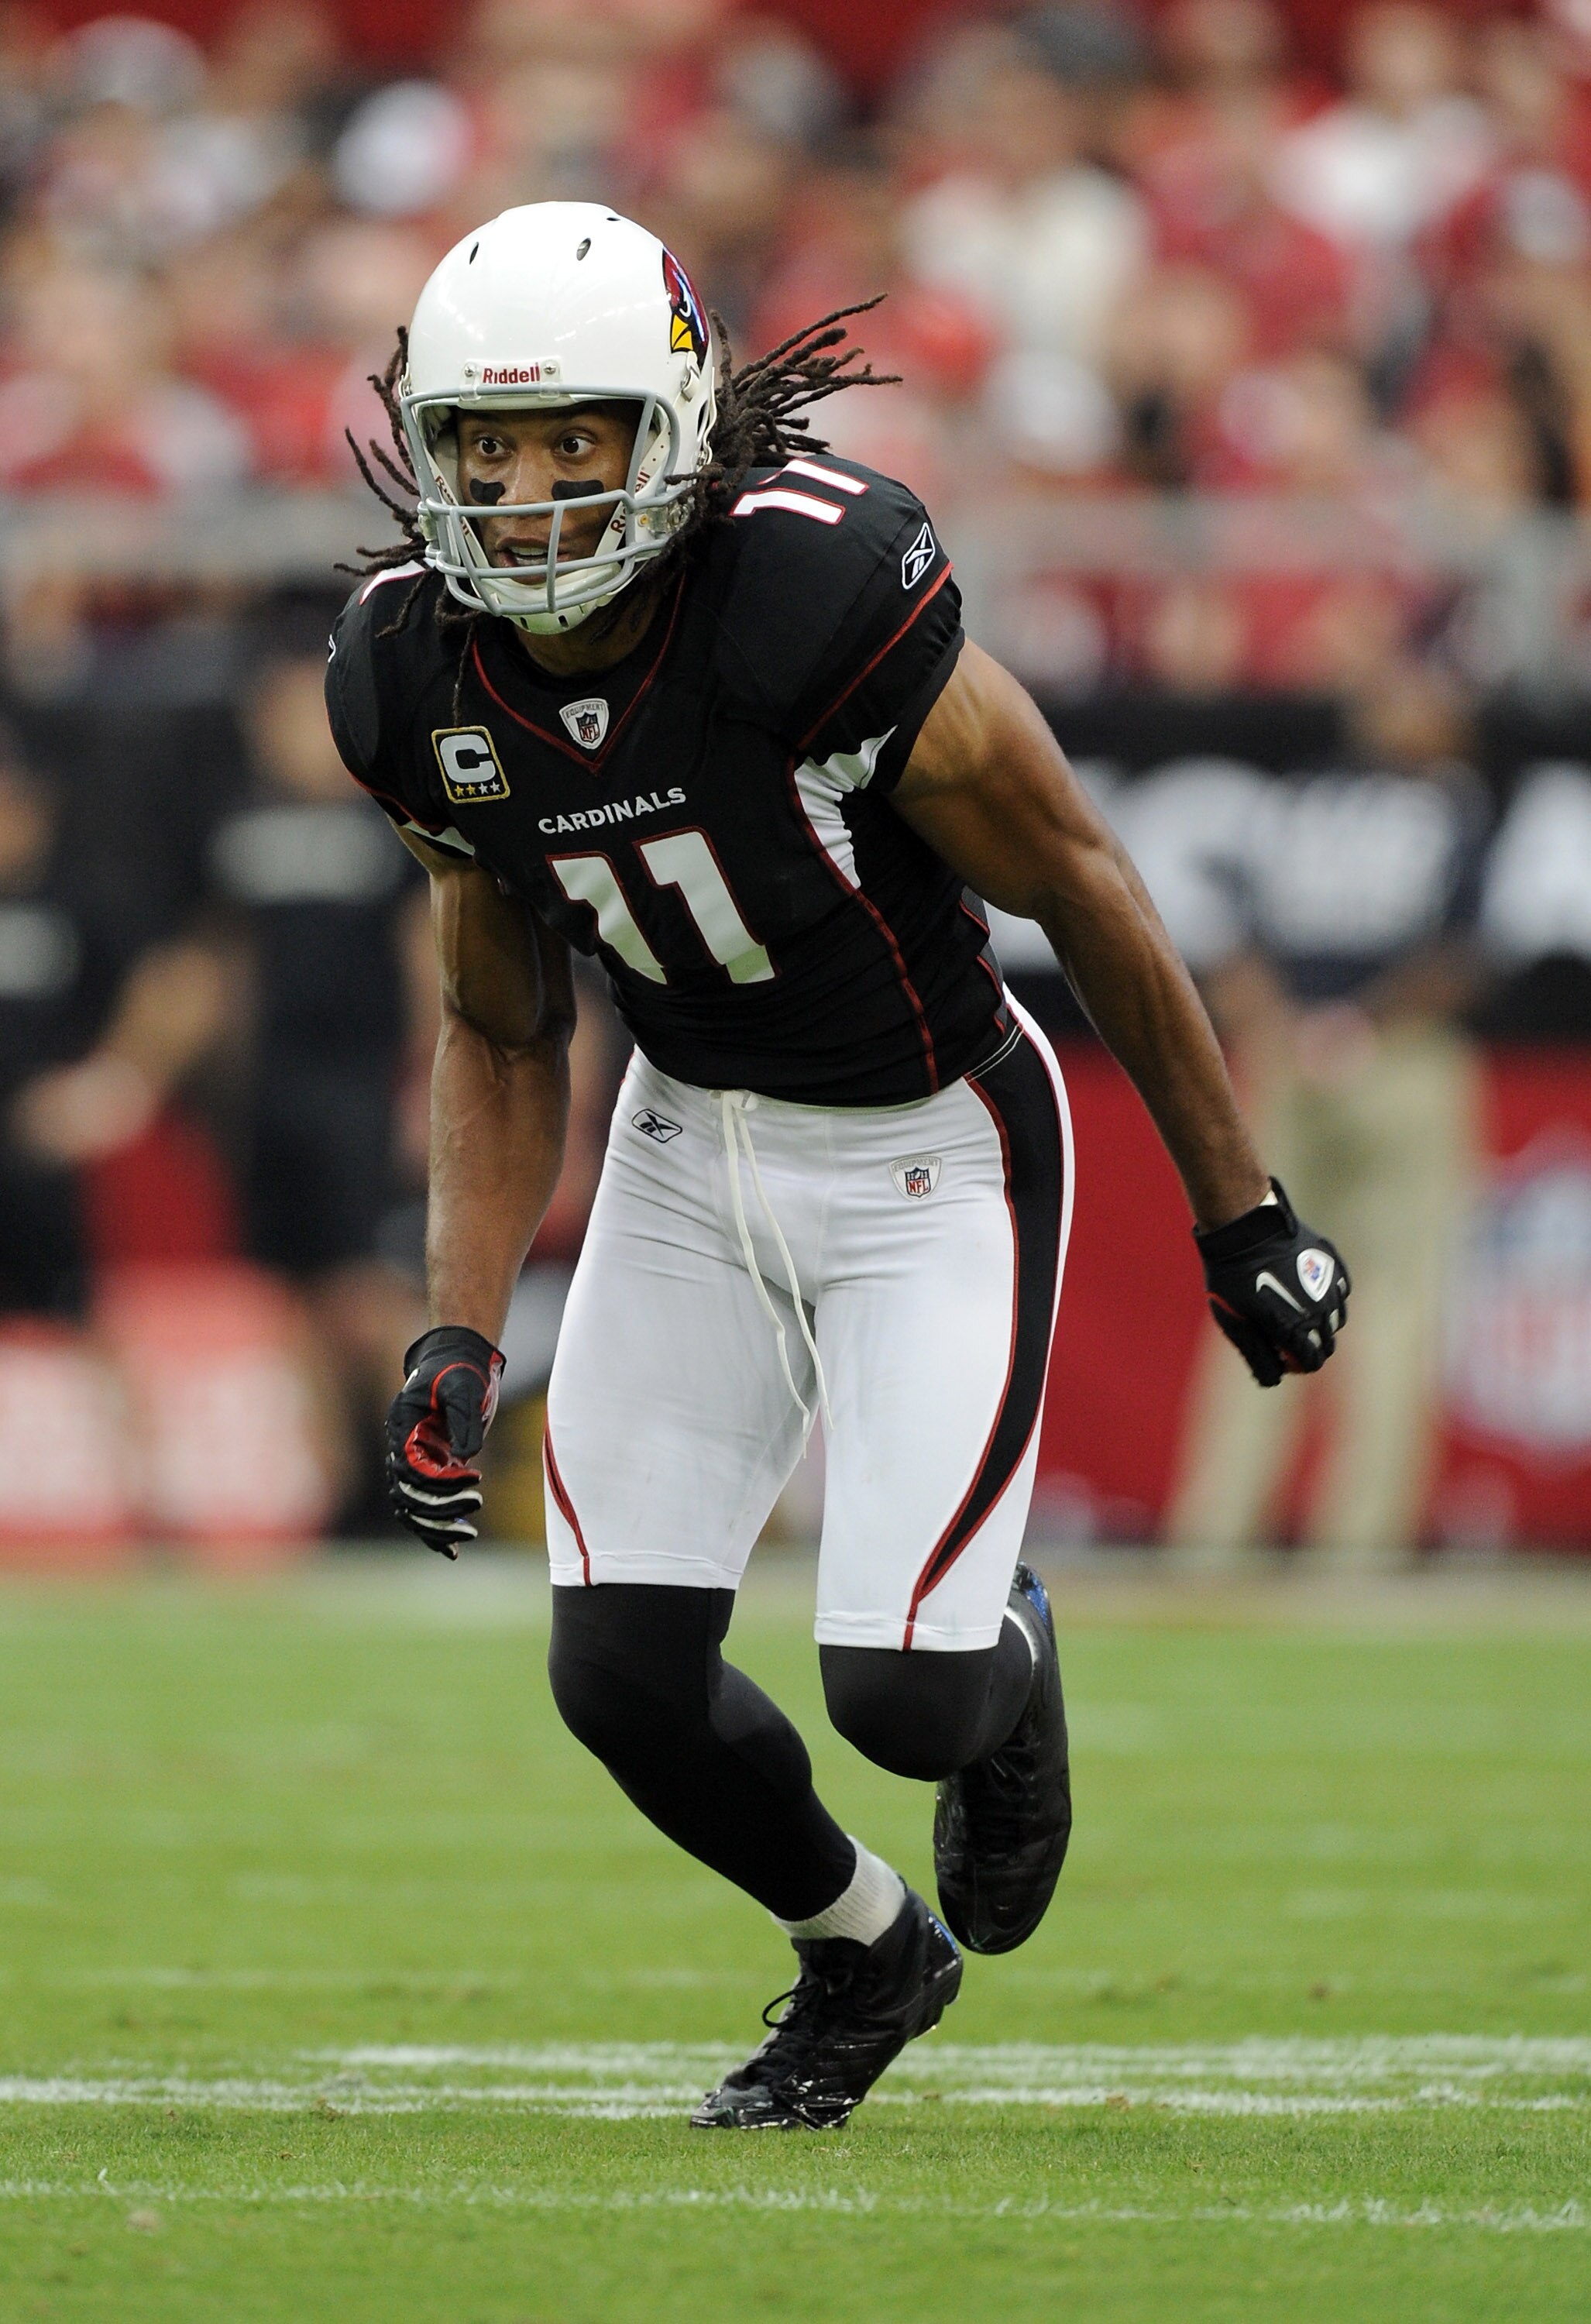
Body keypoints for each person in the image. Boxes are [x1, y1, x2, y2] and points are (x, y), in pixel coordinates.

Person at [325, 201, 1350, 2133]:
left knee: (904, 1695)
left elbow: (1080, 882)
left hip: (927, 1145)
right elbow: (500, 1020)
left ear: (678, 427)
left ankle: (1009, 1662)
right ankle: (864, 1955)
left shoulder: (812, 589)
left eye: (576, 442)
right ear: (426, 444)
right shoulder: (410, 673)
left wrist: (1243, 1209)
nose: (527, 493)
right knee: (618, 1674)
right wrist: (456, 1328)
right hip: (687, 1146)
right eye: (486, 445)